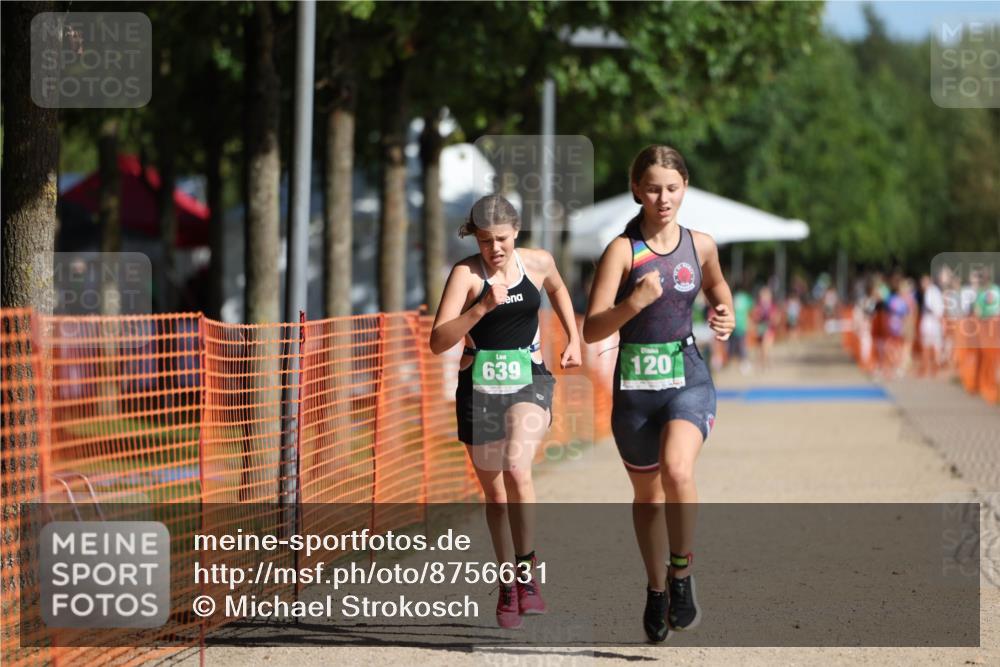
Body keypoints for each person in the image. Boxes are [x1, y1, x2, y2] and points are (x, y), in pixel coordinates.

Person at [582, 145, 734, 643]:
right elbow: (592, 328)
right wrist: (633, 303)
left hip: (687, 379)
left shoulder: (701, 245)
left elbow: (718, 288)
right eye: (652, 188)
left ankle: (682, 573)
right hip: (635, 392)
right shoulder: (622, 251)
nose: (662, 197)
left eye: (671, 187)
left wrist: (724, 312)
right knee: (647, 496)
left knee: (678, 469)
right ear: (636, 190)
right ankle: (655, 588)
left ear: (684, 187)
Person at [429, 194, 582, 629]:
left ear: (516, 231)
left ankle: (528, 571)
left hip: (529, 379)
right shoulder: (466, 275)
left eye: (501, 239)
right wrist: (480, 309)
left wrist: (572, 338)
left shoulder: (538, 262)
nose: (494, 249)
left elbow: (557, 288)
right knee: (495, 496)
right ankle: (507, 585)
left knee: (518, 466)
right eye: (484, 241)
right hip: (478, 386)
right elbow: (439, 341)